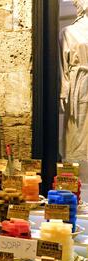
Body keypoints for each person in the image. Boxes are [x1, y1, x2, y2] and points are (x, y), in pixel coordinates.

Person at [60, 0, 88, 160]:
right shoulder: (68, 32)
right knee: (76, 130)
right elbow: (62, 65)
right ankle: (75, 171)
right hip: (78, 83)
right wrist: (63, 91)